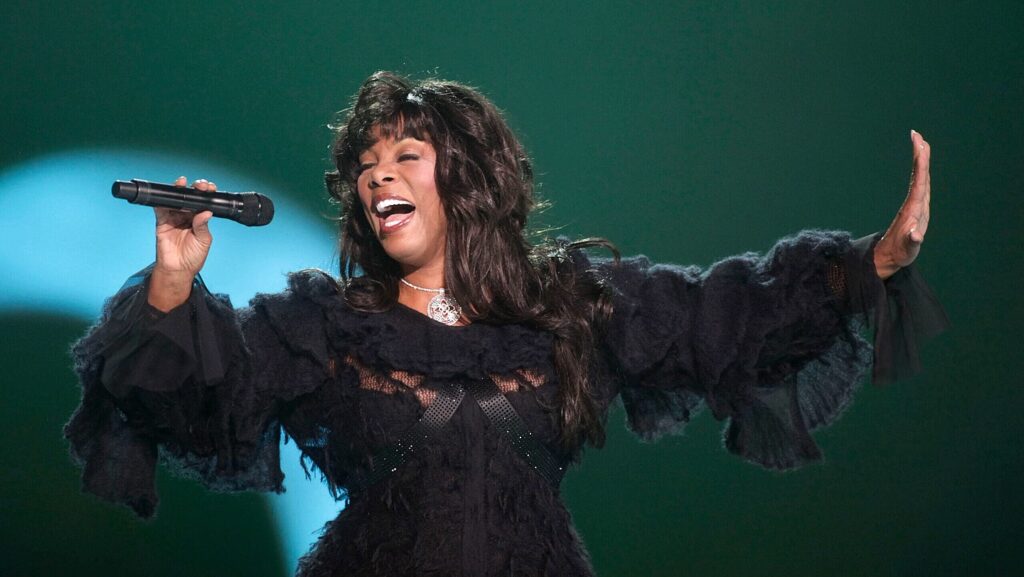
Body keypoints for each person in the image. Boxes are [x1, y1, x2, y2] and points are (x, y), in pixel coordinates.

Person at [65, 71, 947, 576]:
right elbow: (187, 401)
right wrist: (174, 282)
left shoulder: (573, 309)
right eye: (367, 166)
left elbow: (726, 312)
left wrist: (869, 262)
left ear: (469, 178)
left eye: (406, 155)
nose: (380, 178)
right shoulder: (323, 326)